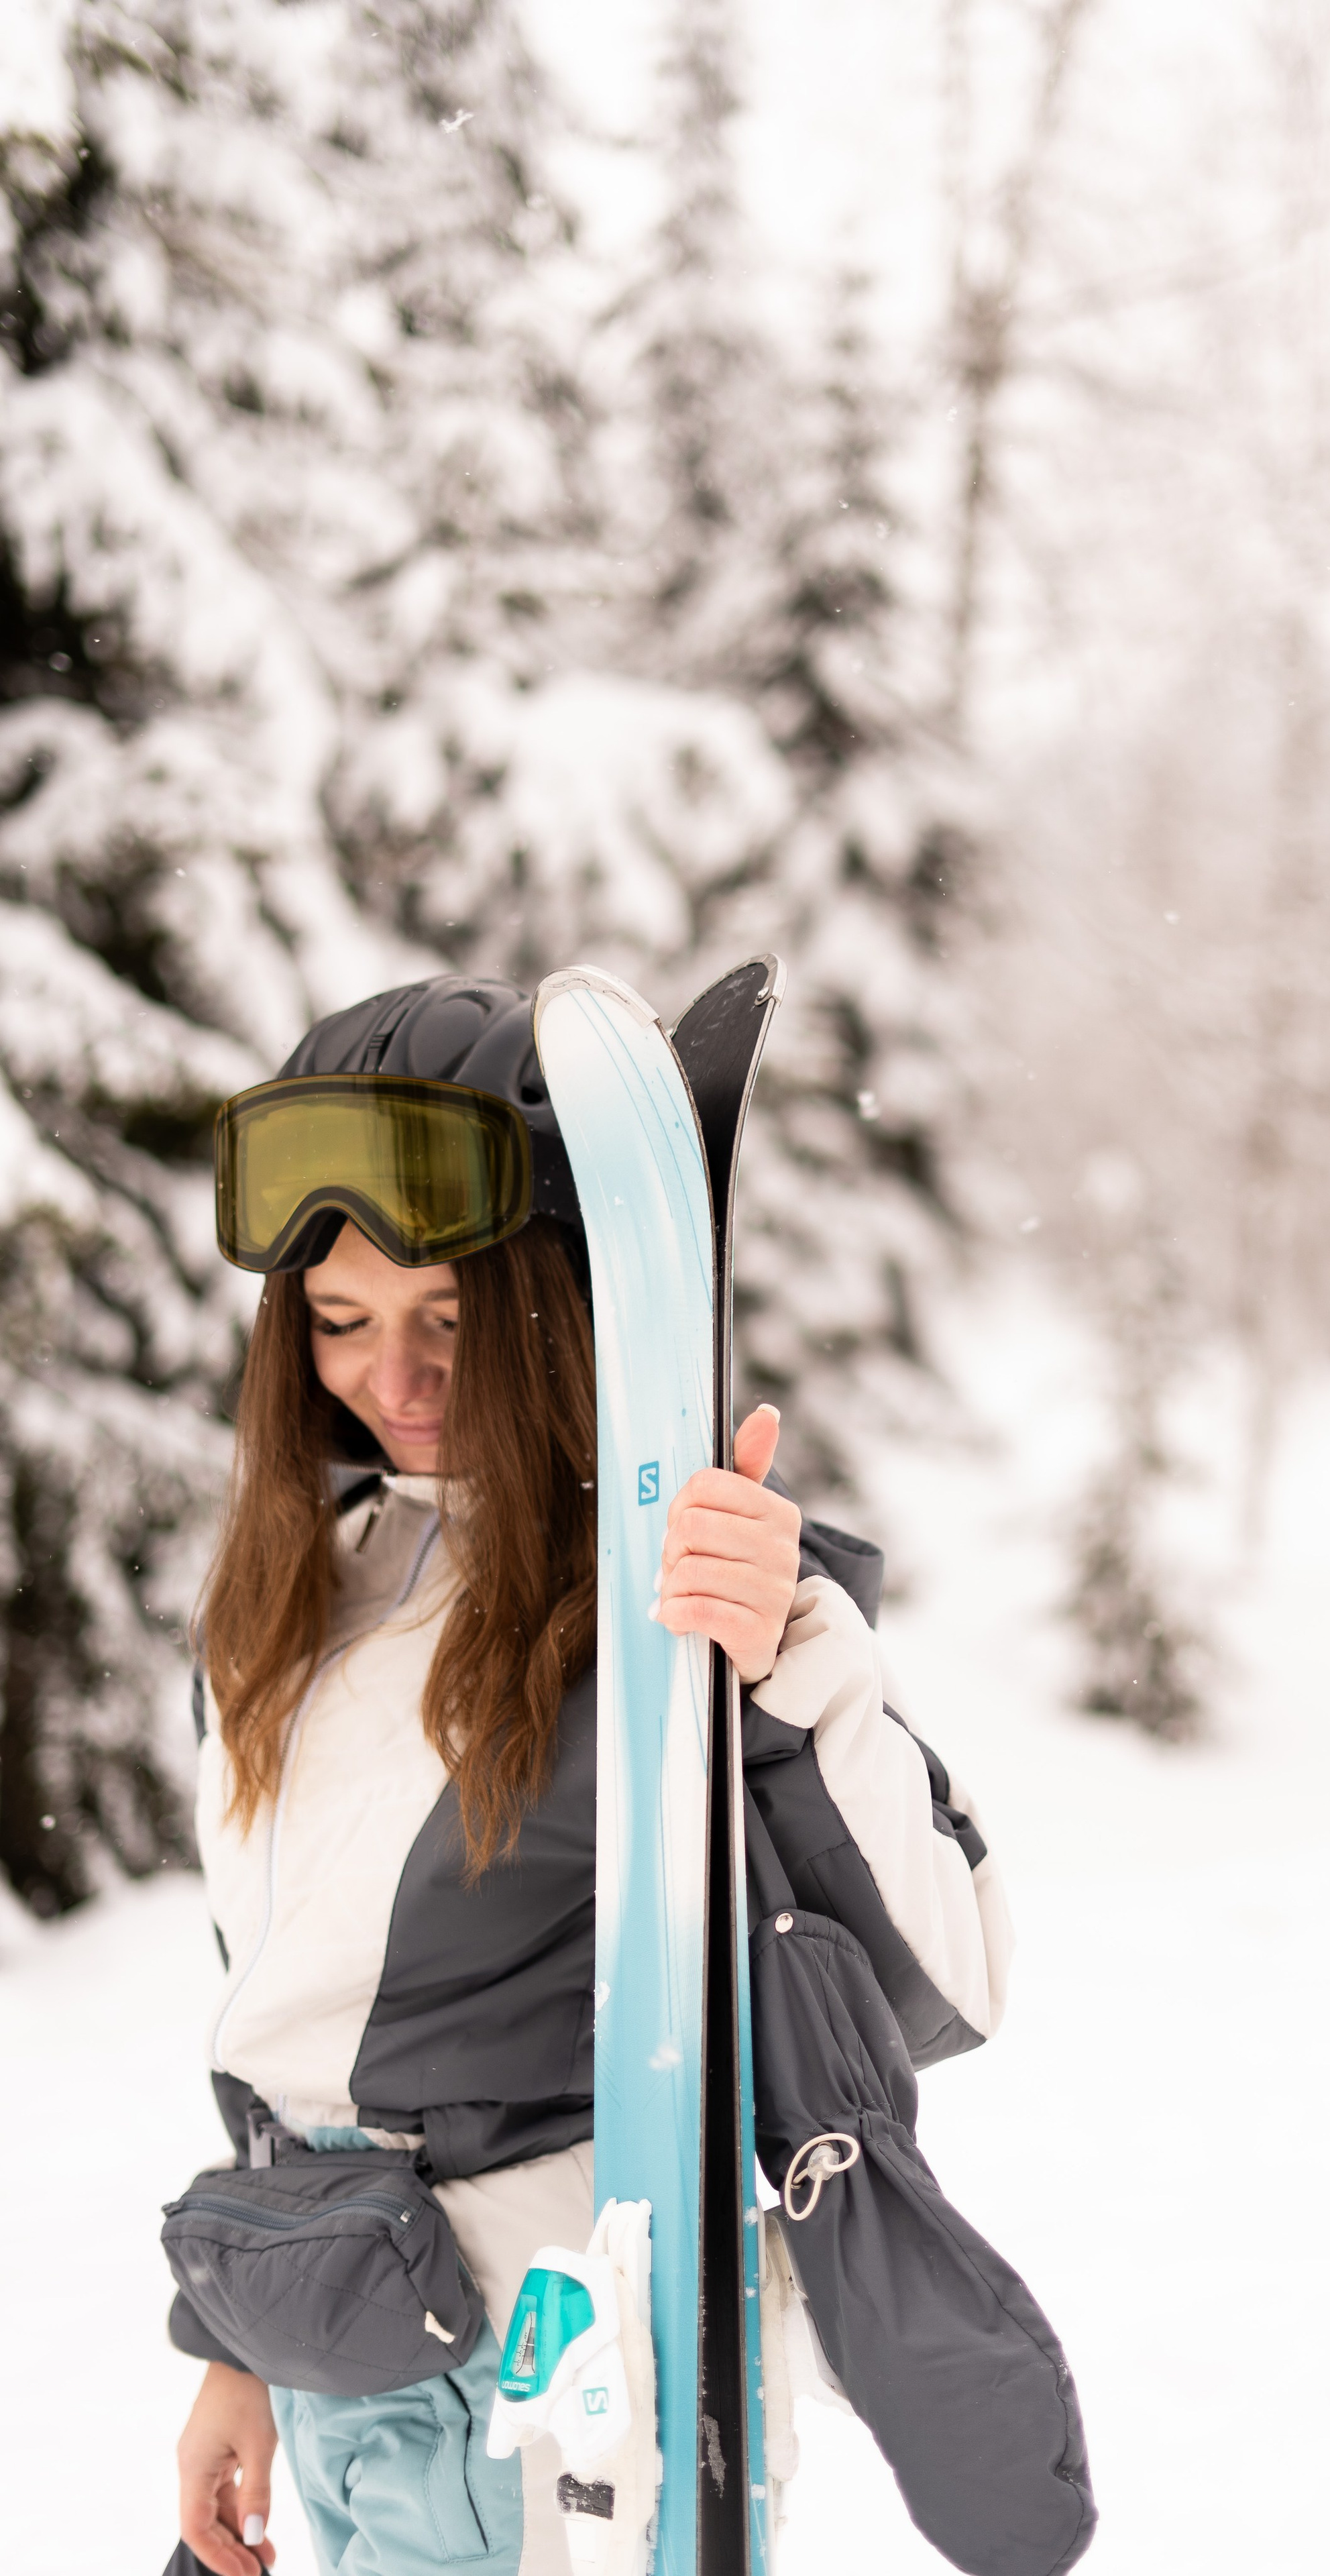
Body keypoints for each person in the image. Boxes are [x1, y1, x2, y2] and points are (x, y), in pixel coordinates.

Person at [169, 975, 1011, 2576]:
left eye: (448, 1319)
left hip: (545, 2387)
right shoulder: (294, 1601)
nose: (392, 1376)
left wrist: (782, 1657)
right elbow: (281, 2028)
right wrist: (235, 2358)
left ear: (555, 1299)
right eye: (340, 1322)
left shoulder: (658, 1594)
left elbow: (938, 1982)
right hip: (336, 2350)